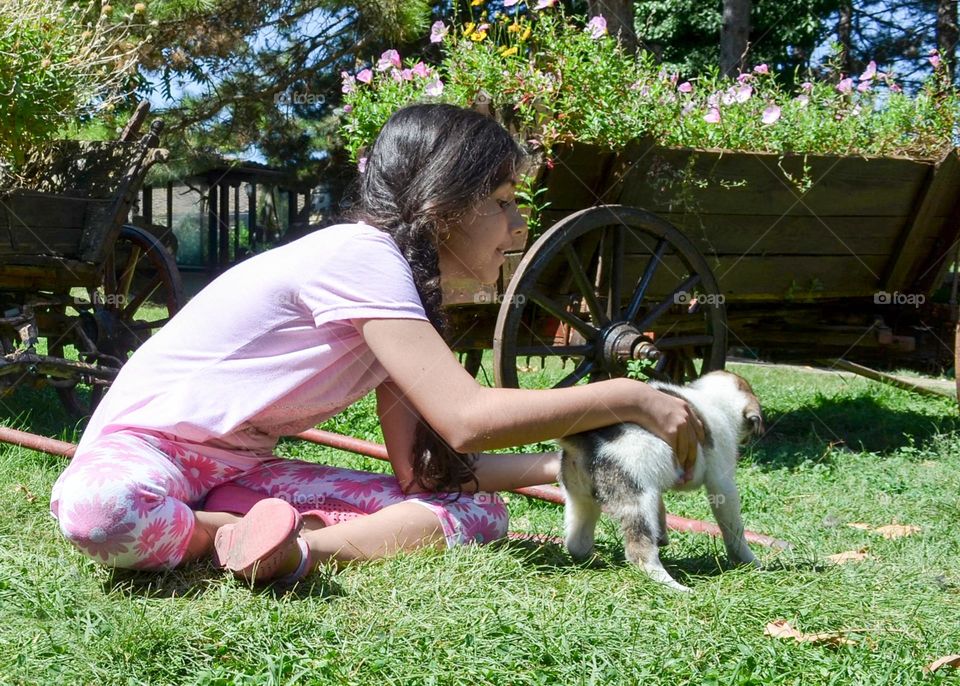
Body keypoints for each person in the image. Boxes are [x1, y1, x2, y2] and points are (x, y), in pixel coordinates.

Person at [50, 103, 703, 586]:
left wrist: (571, 468)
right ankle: (224, 535)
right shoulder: (361, 257)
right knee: (101, 514)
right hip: (148, 454)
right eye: (503, 201)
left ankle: (293, 551)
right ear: (446, 203)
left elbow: (423, 471)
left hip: (242, 473)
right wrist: (631, 397)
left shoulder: (400, 292)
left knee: (480, 513)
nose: (519, 223)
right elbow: (467, 420)